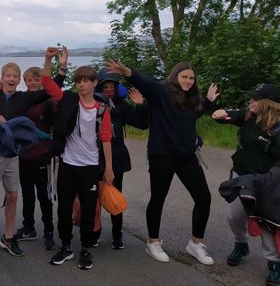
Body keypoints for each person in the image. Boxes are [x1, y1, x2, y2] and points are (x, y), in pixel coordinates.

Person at [0, 35, 66, 259]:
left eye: (15, 76)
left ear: (18, 80)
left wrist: (49, 61)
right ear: (2, 77)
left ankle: (8, 237)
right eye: (8, 75)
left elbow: (51, 87)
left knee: (13, 195)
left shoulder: (24, 98)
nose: (12, 79)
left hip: (13, 155)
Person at [105, 59, 219, 265]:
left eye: (191, 78)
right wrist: (127, 72)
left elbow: (192, 116)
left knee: (204, 198)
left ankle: (196, 243)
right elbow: (144, 82)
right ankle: (153, 242)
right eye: (184, 77)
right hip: (162, 156)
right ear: (175, 76)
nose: (188, 81)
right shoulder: (161, 91)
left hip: (186, 157)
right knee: (158, 198)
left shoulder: (190, 98)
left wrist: (209, 101)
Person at [212, 84, 280, 286]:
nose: (250, 102)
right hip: (241, 177)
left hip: (264, 182)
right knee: (234, 216)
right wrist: (220, 114)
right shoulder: (248, 115)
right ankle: (241, 244)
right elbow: (230, 116)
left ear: (266, 104)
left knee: (266, 224)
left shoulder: (279, 129)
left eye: (255, 99)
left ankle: (275, 264)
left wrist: (270, 178)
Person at [46, 64, 114, 269]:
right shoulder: (69, 100)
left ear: (94, 83)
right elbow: (47, 83)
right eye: (78, 81)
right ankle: (66, 246)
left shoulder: (102, 109)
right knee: (64, 209)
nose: (82, 85)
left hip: (90, 166)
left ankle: (85, 248)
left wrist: (109, 169)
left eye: (86, 81)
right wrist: (49, 60)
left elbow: (106, 139)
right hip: (68, 163)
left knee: (88, 209)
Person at [87, 69, 148, 249]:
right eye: (105, 86)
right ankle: (94, 233)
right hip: (93, 158)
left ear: (116, 87)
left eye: (111, 86)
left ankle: (117, 235)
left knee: (114, 197)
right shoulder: (91, 104)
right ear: (99, 88)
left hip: (116, 159)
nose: (108, 90)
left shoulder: (121, 105)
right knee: (93, 198)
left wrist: (140, 105)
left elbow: (142, 124)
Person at [13, 64, 64, 250]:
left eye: (37, 79)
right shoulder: (21, 100)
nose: (33, 82)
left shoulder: (49, 101)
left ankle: (48, 231)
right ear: (25, 81)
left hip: (43, 155)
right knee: (27, 195)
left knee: (44, 196)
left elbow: (60, 119)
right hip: (23, 155)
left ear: (42, 82)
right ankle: (28, 227)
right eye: (30, 80)